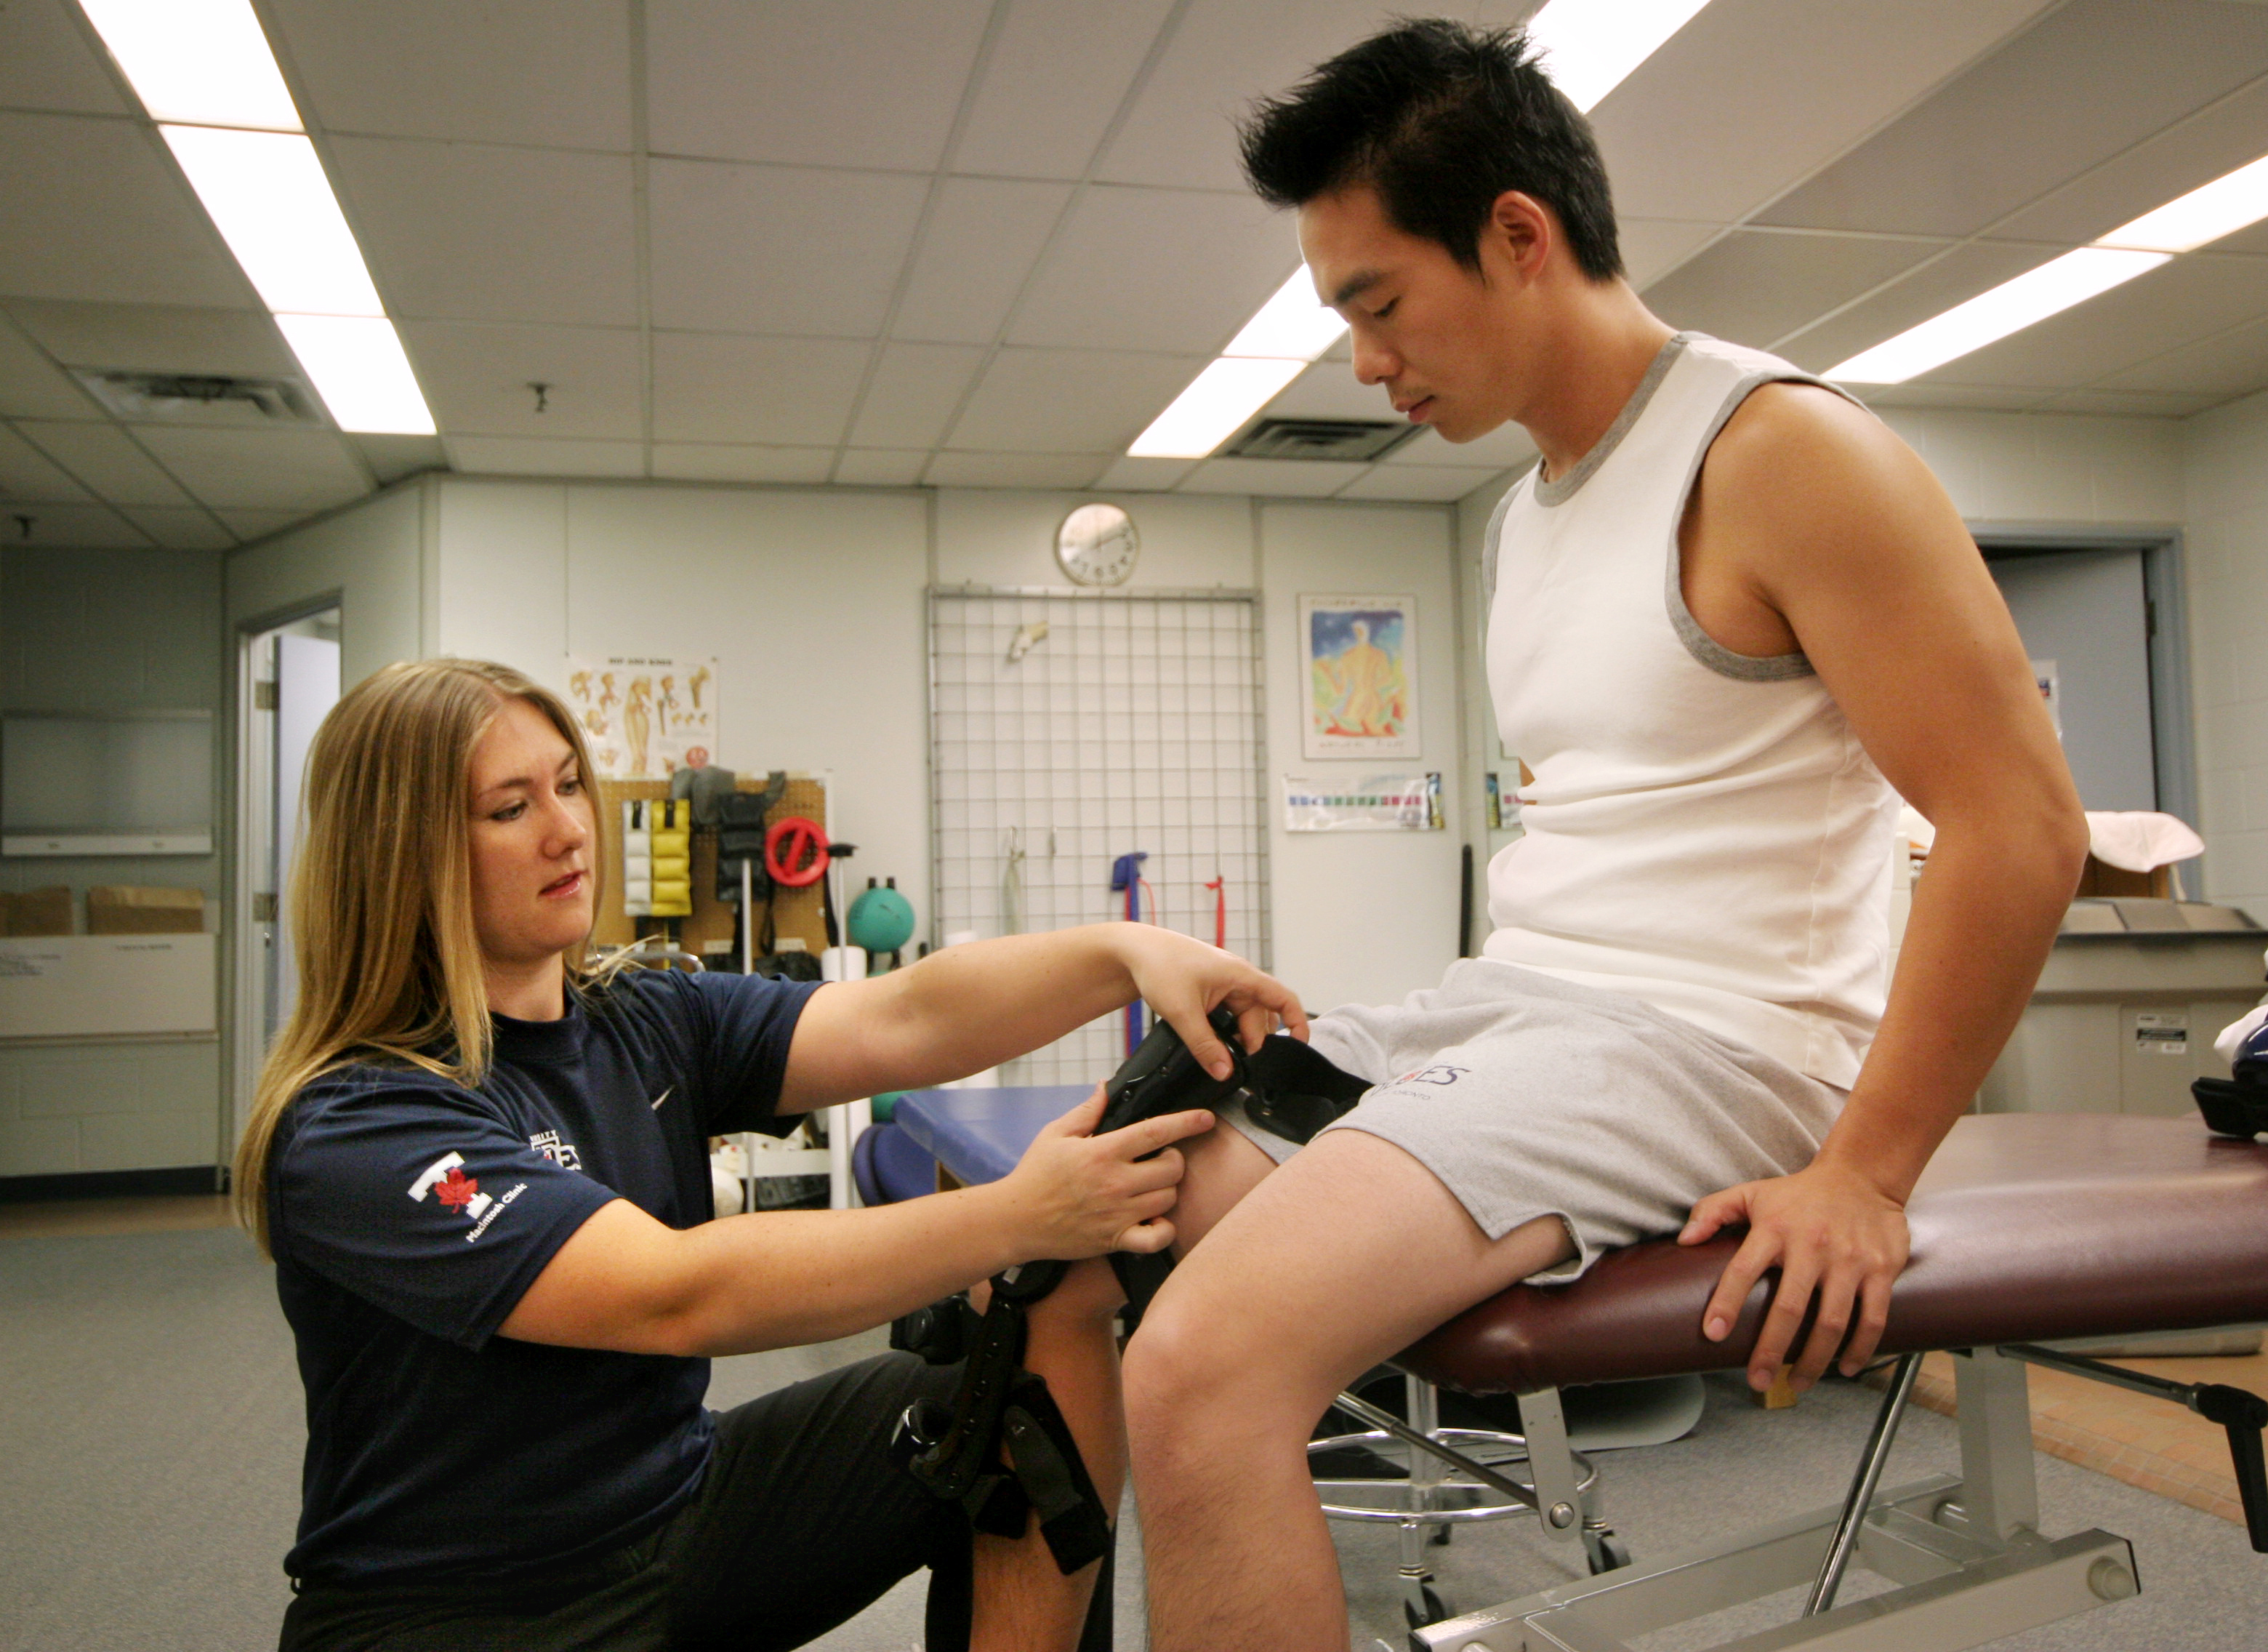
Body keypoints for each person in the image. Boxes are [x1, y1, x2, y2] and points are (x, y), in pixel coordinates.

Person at [1118, 21, 2088, 1651]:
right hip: (1528, 1005)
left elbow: (2023, 821)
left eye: (1376, 303)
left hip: (1718, 1043)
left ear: (1517, 234)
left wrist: (1865, 1170)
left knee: (1201, 1366)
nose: (1364, 360)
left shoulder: (1780, 455)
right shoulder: (1529, 512)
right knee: (1101, 1201)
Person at [235, 658, 1304, 1652]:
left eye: (569, 785)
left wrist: (1126, 955)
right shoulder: (358, 1119)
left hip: (677, 1514)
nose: (571, 831)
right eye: (512, 809)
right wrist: (1019, 1214)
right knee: (1025, 1260)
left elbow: (904, 1018)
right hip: (464, 1609)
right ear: (401, 854)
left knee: (997, 1405)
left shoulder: (640, 1016)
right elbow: (674, 1295)